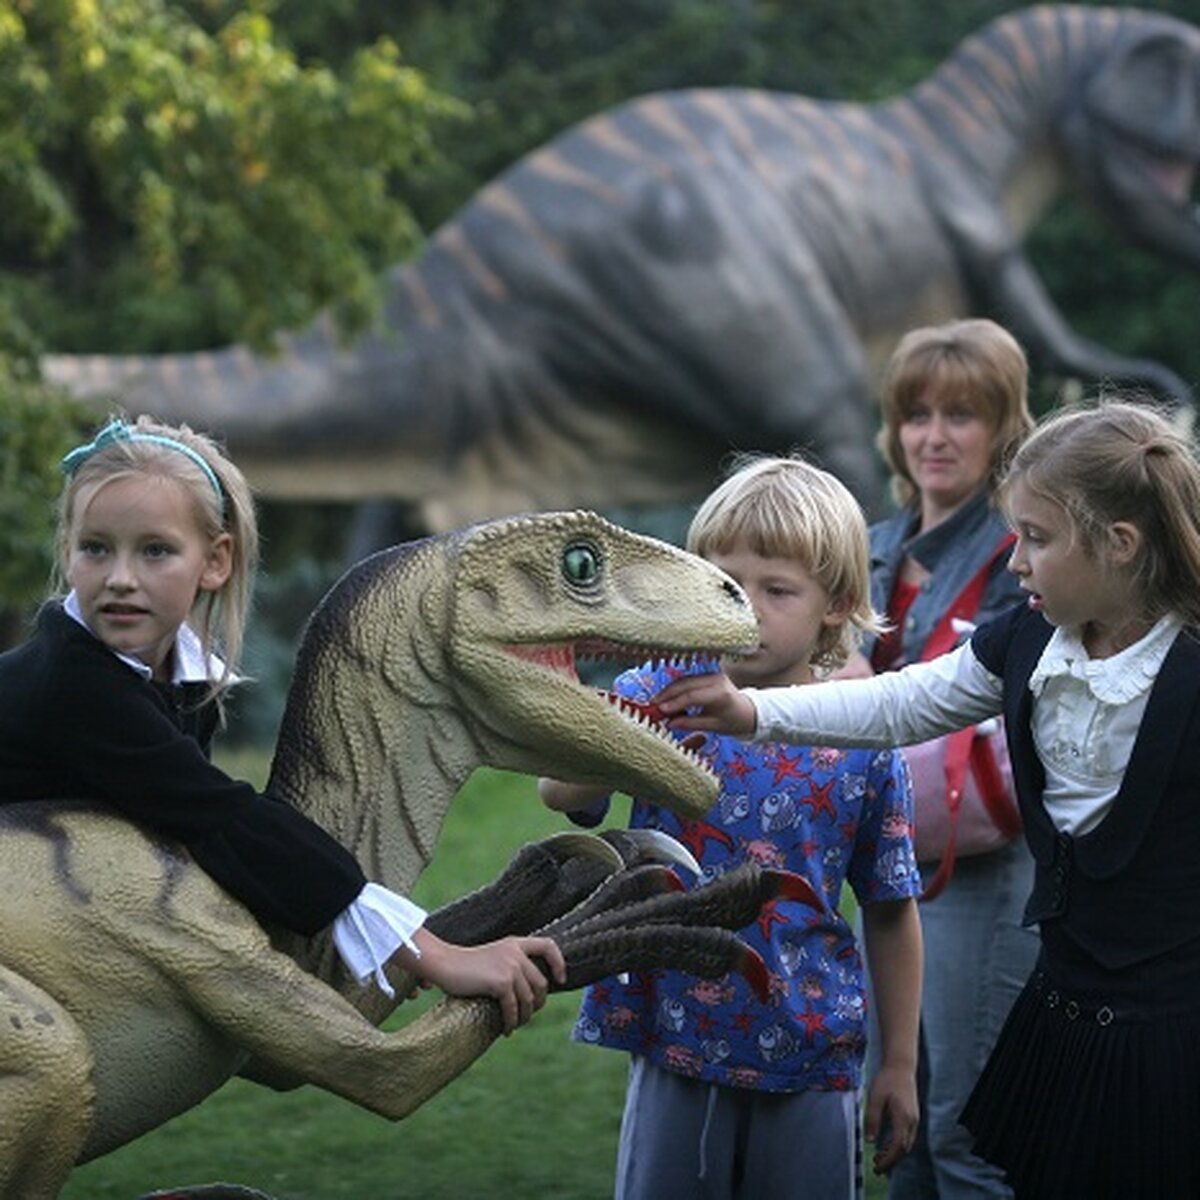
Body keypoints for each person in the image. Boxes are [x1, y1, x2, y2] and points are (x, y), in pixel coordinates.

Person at [653, 398, 1200, 1199]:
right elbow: (898, 705)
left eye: (1038, 540)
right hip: (1069, 1009)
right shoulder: (1027, 641)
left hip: (1177, 1028)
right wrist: (753, 712)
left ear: (1120, 547)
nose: (1015, 563)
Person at [0, 414, 564, 1032]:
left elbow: (191, 837)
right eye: (95, 548)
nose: (120, 578)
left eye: (155, 550)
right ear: (68, 553)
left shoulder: (175, 675)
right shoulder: (75, 685)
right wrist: (438, 957)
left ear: (214, 562)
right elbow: (222, 821)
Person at [539, 455, 923, 1200]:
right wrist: (633, 730)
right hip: (673, 1034)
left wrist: (899, 1064)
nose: (746, 608)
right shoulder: (660, 685)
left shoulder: (859, 734)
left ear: (836, 603)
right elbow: (562, 790)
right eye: (725, 583)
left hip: (811, 1053)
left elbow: (890, 905)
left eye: (777, 590)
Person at [839, 319, 1038, 1200]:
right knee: (899, 1130)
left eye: (962, 414)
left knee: (965, 1132)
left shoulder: (1023, 553)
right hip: (881, 860)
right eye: (916, 414)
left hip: (981, 867)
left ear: (1003, 430)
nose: (934, 436)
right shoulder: (872, 547)